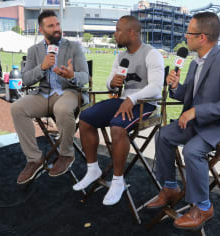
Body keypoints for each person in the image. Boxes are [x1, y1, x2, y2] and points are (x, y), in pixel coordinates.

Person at [145, 12, 220, 230]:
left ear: (202, 37)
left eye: (189, 32)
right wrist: (175, 87)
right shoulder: (193, 64)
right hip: (199, 124)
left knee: (192, 151)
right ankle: (170, 188)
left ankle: (203, 206)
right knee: (163, 134)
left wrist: (196, 111)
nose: (185, 36)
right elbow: (188, 97)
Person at [73, 15, 164, 205]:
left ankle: (117, 181)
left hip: (146, 103)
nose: (114, 34)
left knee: (117, 126)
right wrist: (112, 84)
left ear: (131, 32)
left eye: (117, 30)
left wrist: (132, 98)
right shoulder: (121, 56)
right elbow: (110, 83)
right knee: (86, 118)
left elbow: (156, 87)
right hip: (124, 100)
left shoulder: (151, 53)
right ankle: (93, 169)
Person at [10, 10, 89, 184]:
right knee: (17, 107)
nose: (56, 29)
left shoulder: (73, 47)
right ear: (41, 29)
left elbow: (85, 77)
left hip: (70, 92)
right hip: (44, 94)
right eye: (51, 26)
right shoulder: (33, 50)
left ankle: (66, 154)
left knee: (61, 108)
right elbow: (26, 79)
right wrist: (42, 67)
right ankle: (34, 159)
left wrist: (71, 75)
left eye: (57, 24)